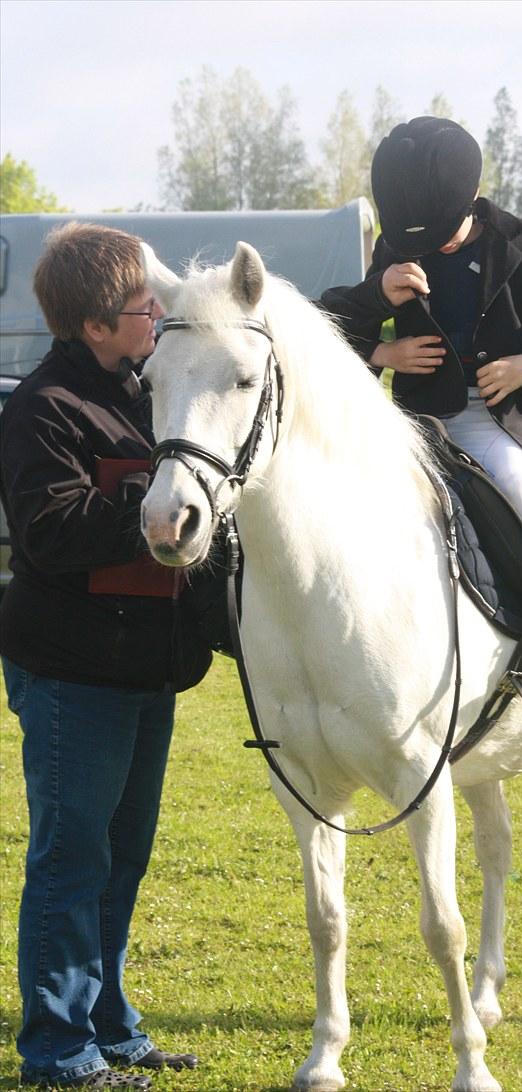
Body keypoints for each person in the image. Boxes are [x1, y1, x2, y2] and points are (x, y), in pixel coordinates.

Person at [0, 223, 212, 1089]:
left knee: (122, 857)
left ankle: (110, 1022)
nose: (157, 313)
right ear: (93, 324)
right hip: (71, 673)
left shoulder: (147, 390)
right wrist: (152, 507)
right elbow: (50, 531)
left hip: (142, 666)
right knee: (71, 858)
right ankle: (57, 1049)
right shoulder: (43, 409)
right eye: (141, 305)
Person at [321, 116, 522, 698]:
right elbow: (325, 319)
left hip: (494, 418)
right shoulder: (397, 247)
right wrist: (384, 344)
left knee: (515, 480)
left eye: (444, 234)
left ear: (472, 201)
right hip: (415, 420)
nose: (432, 248)